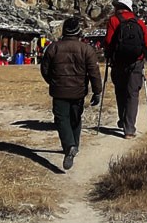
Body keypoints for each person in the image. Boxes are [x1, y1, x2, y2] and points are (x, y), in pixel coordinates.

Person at [42, 17, 103, 171]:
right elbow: (94, 73)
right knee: (75, 118)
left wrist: (53, 82)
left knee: (62, 119)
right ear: (78, 31)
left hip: (59, 90)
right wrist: (97, 92)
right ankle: (73, 145)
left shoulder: (53, 48)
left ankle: (69, 147)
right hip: (78, 91)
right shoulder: (87, 49)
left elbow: (44, 70)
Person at [103, 0, 147, 138]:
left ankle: (122, 119)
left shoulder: (113, 20)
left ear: (118, 7)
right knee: (132, 94)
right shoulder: (139, 22)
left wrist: (109, 53)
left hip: (118, 62)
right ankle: (129, 129)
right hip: (136, 63)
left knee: (120, 92)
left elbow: (108, 41)